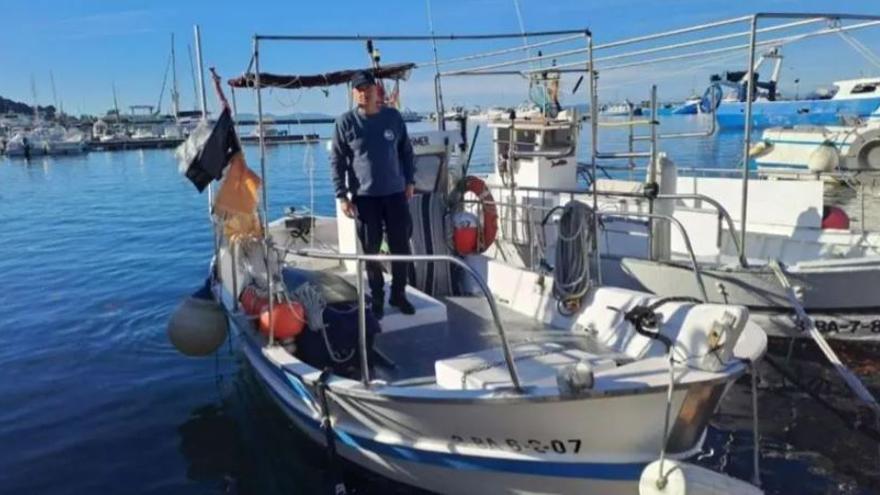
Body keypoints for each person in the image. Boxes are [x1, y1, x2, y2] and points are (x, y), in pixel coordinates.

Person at [330, 70, 416, 319]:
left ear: (376, 90)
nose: (363, 93)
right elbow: (337, 161)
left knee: (401, 247)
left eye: (367, 88)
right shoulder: (345, 123)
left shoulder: (393, 118)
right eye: (358, 89)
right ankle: (377, 297)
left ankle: (398, 294)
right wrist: (342, 195)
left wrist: (409, 180)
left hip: (395, 195)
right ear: (353, 93)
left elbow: (406, 152)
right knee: (371, 250)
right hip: (365, 198)